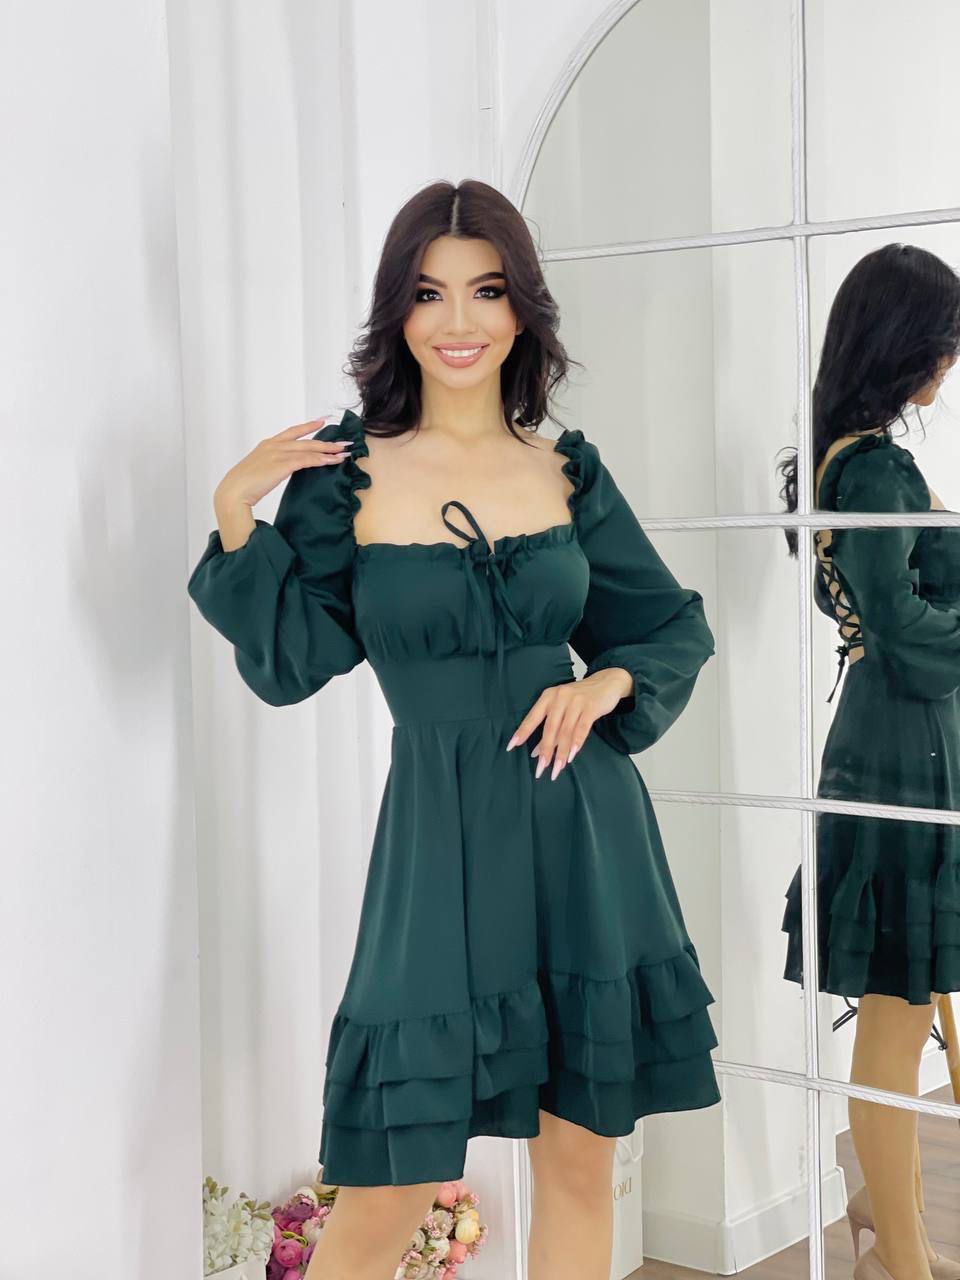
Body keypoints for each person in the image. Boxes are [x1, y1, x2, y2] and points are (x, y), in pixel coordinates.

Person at [188, 178, 720, 1280]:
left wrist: (605, 682)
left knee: (578, 1169)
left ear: (522, 309)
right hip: (435, 844)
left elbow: (671, 624)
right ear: (398, 311)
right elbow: (294, 663)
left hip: (583, 833)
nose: (459, 320)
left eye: (486, 290)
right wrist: (237, 513)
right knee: (387, 1181)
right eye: (429, 293)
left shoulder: (568, 472)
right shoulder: (346, 476)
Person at [777, 243, 960, 1280]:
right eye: (944, 341)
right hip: (900, 745)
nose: (951, 361)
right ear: (904, 344)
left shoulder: (840, 457)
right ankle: (902, 1252)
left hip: (883, 737)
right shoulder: (875, 468)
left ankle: (888, 1219)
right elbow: (903, 627)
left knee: (906, 1004)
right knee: (895, 1024)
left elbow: (884, 617)